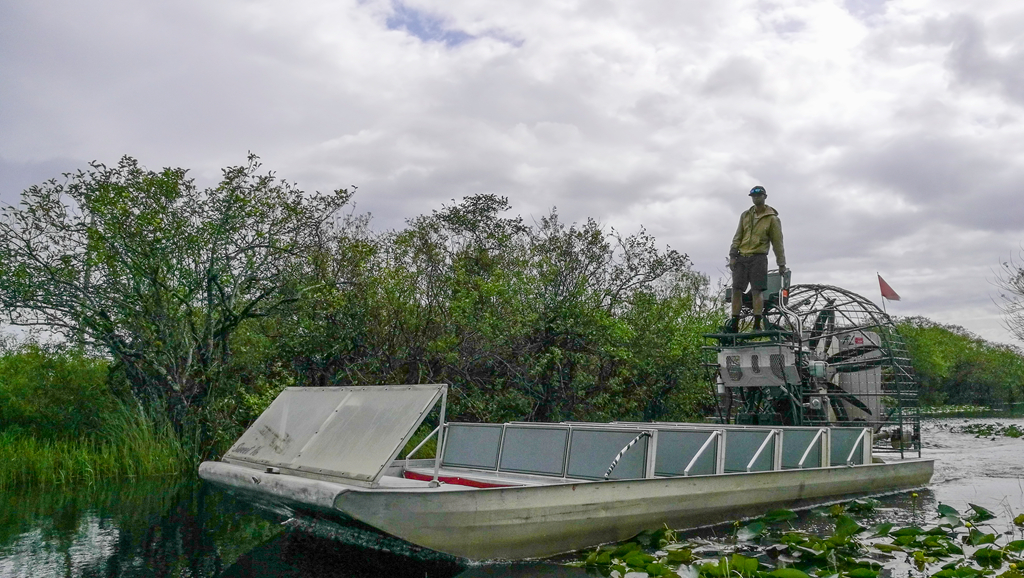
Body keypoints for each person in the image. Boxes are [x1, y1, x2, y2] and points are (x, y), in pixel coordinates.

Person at [727, 185, 785, 332]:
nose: (756, 198)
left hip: (758, 258)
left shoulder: (772, 219)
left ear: (765, 197)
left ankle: (757, 325)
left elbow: (777, 243)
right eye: (753, 196)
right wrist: (733, 255)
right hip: (742, 256)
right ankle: (734, 324)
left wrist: (781, 263)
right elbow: (737, 236)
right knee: (736, 290)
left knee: (757, 291)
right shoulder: (745, 215)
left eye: (759, 196)